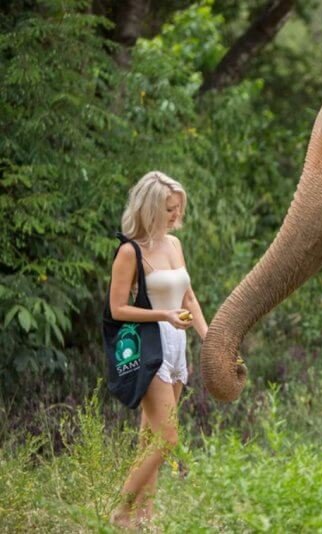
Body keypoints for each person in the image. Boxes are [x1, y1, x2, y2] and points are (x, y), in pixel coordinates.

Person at [108, 171, 208, 528]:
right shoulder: (129, 251)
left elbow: (189, 297)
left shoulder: (175, 245)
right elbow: (117, 309)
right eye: (168, 208)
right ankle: (121, 512)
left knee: (149, 437)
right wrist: (163, 314)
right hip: (148, 346)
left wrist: (208, 338)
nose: (175, 214)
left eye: (178, 207)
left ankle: (144, 517)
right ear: (149, 208)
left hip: (177, 344)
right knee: (168, 436)